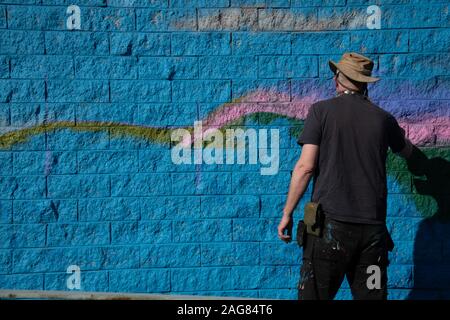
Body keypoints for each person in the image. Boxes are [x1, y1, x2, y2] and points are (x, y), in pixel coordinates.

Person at [277, 52, 414, 300]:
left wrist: (287, 213)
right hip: (372, 234)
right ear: (365, 83)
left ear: (338, 79)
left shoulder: (321, 111)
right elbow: (406, 150)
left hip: (329, 229)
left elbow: (305, 167)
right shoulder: (384, 119)